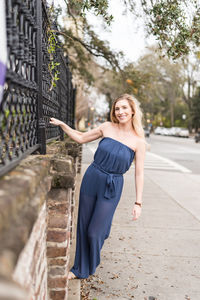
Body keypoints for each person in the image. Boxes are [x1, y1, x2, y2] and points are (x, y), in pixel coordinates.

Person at [49, 93, 146, 279]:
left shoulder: (139, 142)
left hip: (113, 185)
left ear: (133, 111)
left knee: (95, 232)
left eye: (124, 108)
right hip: (93, 178)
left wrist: (138, 202)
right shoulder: (107, 127)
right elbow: (81, 138)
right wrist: (63, 125)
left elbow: (139, 173)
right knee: (84, 225)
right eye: (117, 108)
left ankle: (92, 256)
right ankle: (80, 269)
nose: (120, 112)